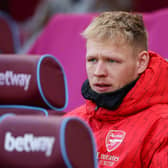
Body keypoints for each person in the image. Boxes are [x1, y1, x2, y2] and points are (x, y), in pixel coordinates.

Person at [64, 11, 168, 167]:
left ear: (141, 62)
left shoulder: (162, 126)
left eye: (112, 61)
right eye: (92, 60)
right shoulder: (70, 122)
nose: (99, 72)